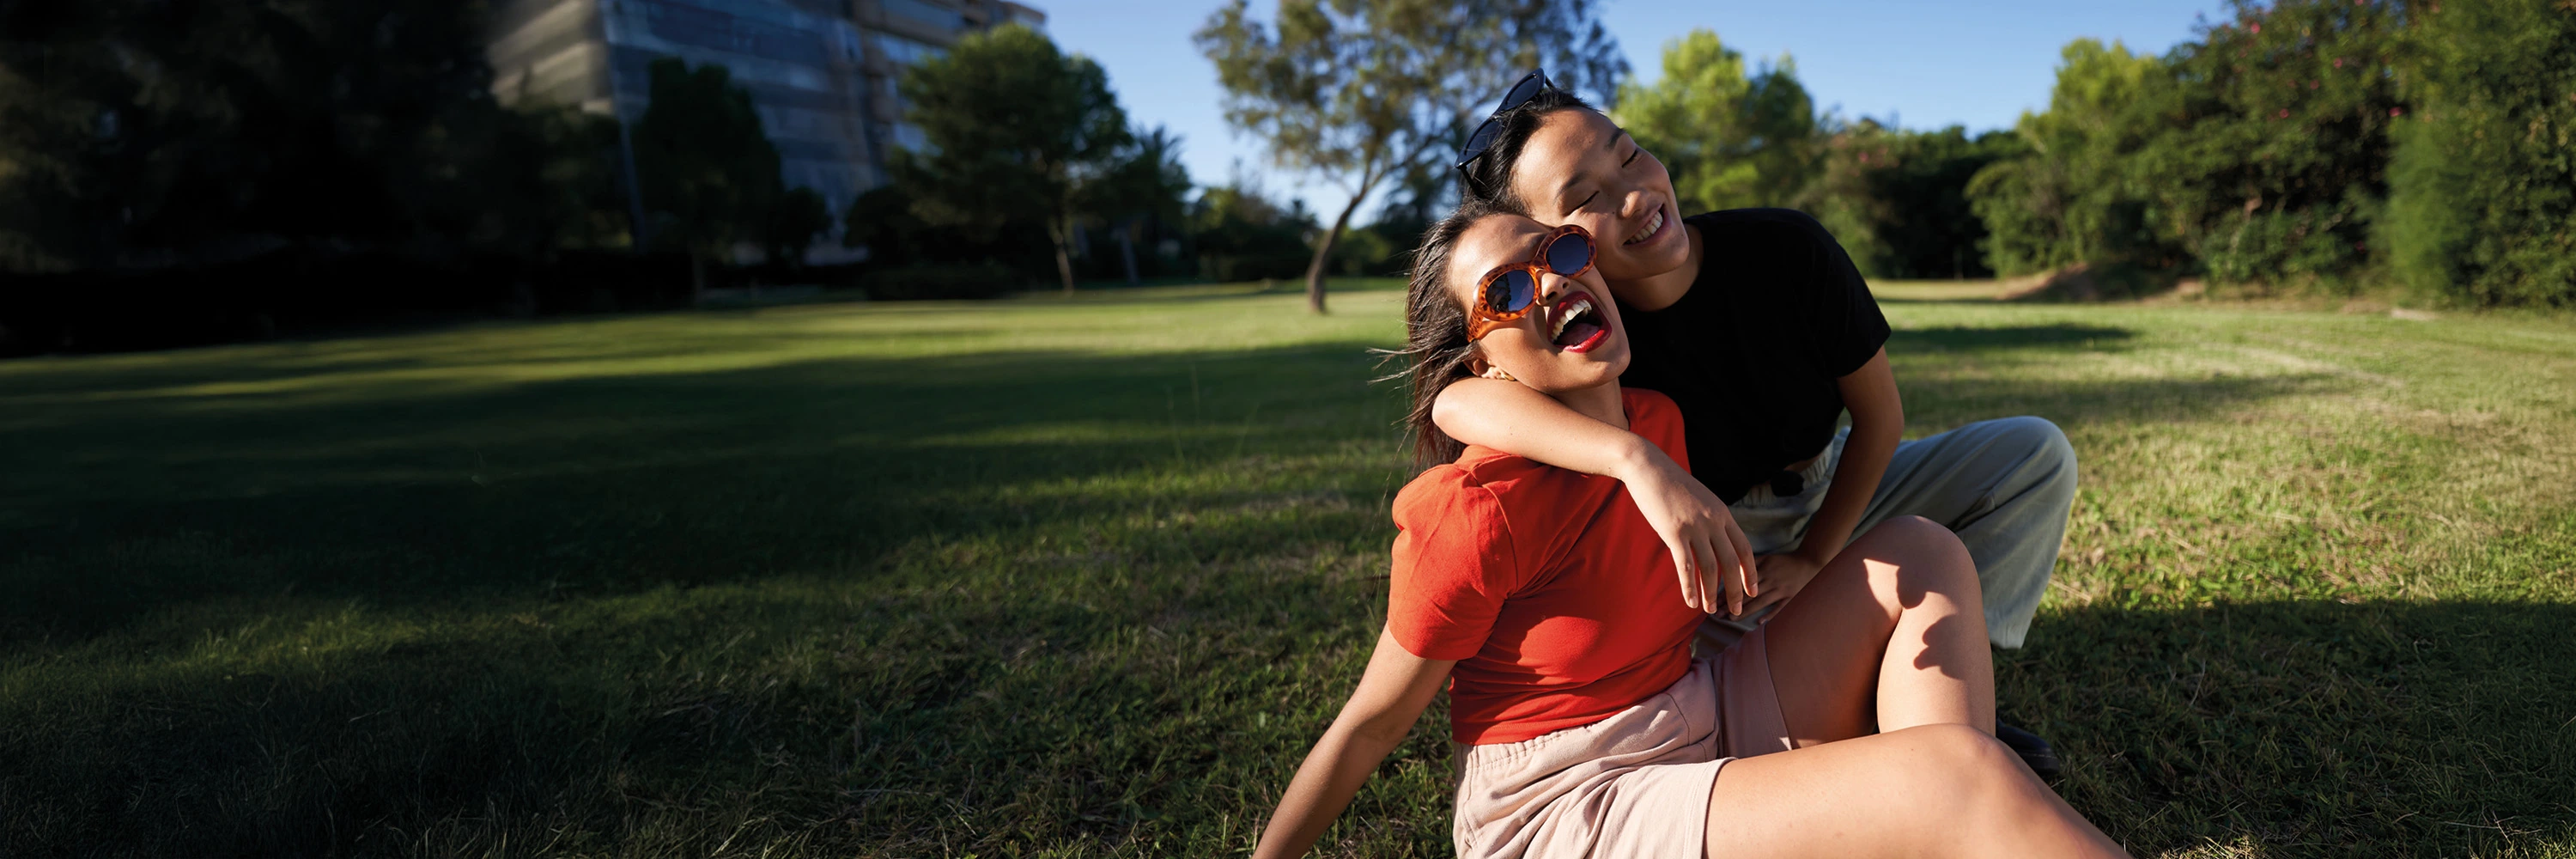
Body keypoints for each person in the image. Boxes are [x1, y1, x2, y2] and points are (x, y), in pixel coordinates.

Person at [1250, 204, 2125, 858]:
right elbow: (1368, 726)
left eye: (1559, 251)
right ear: (1483, 360)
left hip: (1691, 706)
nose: (1553, 281)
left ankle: (1944, 822)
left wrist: (1642, 456)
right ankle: (1956, 801)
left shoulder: (1656, 414)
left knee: (1923, 551)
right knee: (1954, 772)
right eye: (1509, 290)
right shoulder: (1475, 509)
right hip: (1565, 799)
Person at [1437, 72, 2080, 769]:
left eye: (1629, 155)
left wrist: (1815, 556)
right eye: (1586, 198)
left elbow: (1880, 418)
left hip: (1836, 487)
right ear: (1543, 242)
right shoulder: (1580, 333)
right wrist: (1634, 459)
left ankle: (1946, 680)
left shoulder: (1785, 249)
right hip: (1717, 554)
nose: (1633, 195)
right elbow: (1455, 399)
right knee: (1718, 698)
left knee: (2032, 455)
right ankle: (1868, 705)